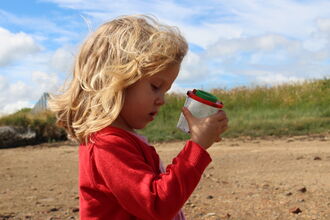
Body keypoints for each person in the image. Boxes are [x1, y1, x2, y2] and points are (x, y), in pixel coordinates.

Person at [49, 15, 228, 220]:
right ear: (114, 81)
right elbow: (157, 204)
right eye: (155, 86)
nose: (162, 100)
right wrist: (196, 147)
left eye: (166, 91)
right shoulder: (106, 145)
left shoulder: (122, 138)